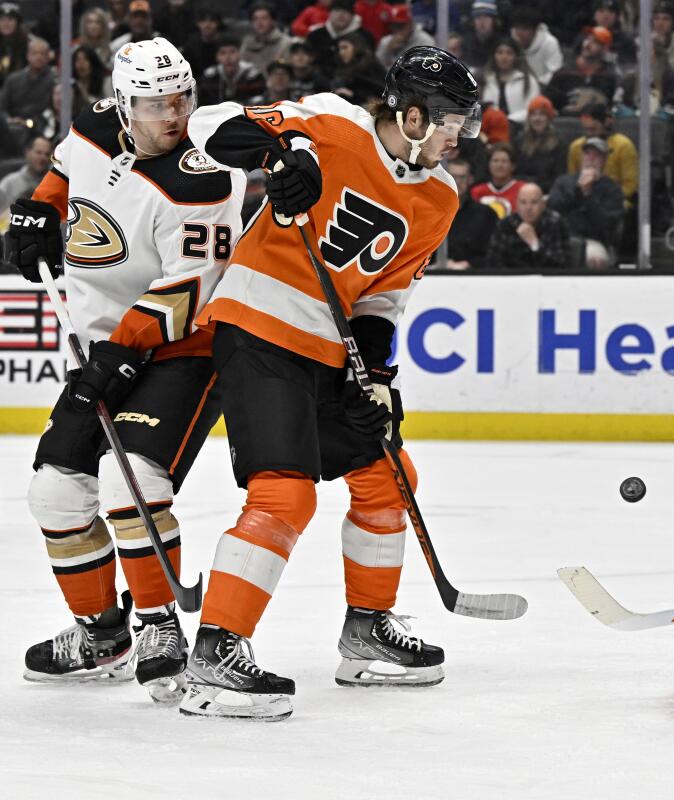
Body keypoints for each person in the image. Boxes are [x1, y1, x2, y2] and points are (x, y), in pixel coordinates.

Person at [180, 45, 476, 719]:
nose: (462, 136)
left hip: (330, 349)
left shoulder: (440, 198)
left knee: (388, 476)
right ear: (411, 114)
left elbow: (383, 297)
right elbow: (210, 124)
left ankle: (367, 631)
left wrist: (376, 374)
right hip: (260, 325)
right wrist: (286, 156)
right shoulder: (332, 123)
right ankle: (217, 652)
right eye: (453, 121)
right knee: (284, 495)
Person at [2, 38, 243, 700]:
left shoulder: (205, 178)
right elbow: (65, 170)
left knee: (126, 476)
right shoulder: (93, 125)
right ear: (123, 104)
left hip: (181, 351)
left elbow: (186, 294)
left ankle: (160, 622)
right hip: (108, 349)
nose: (174, 114)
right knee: (54, 494)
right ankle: (102, 632)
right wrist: (38, 211)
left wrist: (115, 355)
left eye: (182, 99)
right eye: (156, 104)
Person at [548, 136, 624, 269]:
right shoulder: (563, 182)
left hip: (593, 240)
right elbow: (554, 208)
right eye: (587, 154)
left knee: (594, 260)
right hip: (562, 239)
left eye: (597, 155)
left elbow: (606, 225)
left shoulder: (612, 189)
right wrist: (579, 190)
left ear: (604, 160)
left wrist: (588, 195)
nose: (591, 158)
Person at [487, 182, 571, 269]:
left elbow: (561, 265)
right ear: (517, 204)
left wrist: (534, 244)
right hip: (511, 279)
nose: (528, 208)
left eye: (534, 202)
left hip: (546, 280)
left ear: (543, 205)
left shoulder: (556, 223)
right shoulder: (505, 224)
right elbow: (493, 261)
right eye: (523, 203)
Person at [566, 102, 637, 204]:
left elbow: (630, 186)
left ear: (606, 122)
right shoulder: (576, 147)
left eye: (593, 129)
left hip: (615, 199)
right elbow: (571, 180)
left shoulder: (623, 145)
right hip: (583, 196)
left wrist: (607, 196)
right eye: (586, 130)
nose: (589, 134)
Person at [544, 25, 619, 114]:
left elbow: (612, 108)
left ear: (605, 49)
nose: (588, 44)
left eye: (595, 42)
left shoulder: (608, 76)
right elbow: (546, 104)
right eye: (587, 39)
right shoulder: (564, 73)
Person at [0, 36, 54, 152]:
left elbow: (53, 109)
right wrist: (9, 119)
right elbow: (2, 107)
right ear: (28, 55)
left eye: (42, 54)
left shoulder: (54, 81)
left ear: (48, 56)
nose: (38, 57)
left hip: (42, 124)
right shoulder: (13, 80)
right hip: (13, 125)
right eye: (35, 53)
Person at [445, 157, 497, 270]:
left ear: (470, 179)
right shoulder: (431, 213)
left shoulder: (486, 214)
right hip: (432, 276)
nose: (457, 182)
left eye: (462, 177)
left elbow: (492, 254)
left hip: (473, 276)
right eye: (453, 177)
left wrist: (468, 264)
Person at [513, 95, 566, 192]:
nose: (537, 118)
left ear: (549, 118)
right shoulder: (519, 140)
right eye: (533, 114)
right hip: (521, 189)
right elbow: (515, 171)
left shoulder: (559, 142)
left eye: (542, 114)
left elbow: (559, 177)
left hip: (547, 191)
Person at [482, 37, 540, 124]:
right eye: (500, 52)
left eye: (509, 53)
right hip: (494, 128)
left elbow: (533, 109)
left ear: (516, 56)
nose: (504, 57)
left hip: (520, 127)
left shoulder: (528, 80)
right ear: (494, 56)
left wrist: (508, 120)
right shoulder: (489, 81)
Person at [200, 35, 266, 106]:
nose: (228, 57)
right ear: (217, 57)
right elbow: (204, 103)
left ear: (239, 54)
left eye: (232, 52)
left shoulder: (253, 76)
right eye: (223, 53)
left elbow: (258, 101)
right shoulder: (210, 77)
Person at [470, 142, 526, 219]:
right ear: (489, 164)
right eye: (495, 161)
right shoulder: (477, 191)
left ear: (513, 166)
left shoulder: (523, 190)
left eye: (504, 161)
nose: (499, 165)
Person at [510, 6, 562, 87]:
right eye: (517, 28)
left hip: (544, 89)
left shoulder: (550, 43)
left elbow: (555, 74)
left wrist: (533, 84)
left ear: (535, 30)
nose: (520, 33)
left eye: (525, 28)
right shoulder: (512, 41)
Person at [0, 134, 51, 217]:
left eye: (47, 154)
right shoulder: (9, 183)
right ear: (27, 153)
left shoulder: (54, 185)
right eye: (39, 152)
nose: (43, 157)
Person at [332, 32, 385, 106]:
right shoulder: (342, 67)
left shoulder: (371, 65)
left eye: (345, 47)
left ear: (357, 47)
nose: (341, 52)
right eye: (339, 49)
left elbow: (381, 93)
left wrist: (352, 94)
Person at [241, 2, 294, 75]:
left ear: (273, 21)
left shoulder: (286, 43)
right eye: (255, 19)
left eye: (264, 18)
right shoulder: (247, 43)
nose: (259, 23)